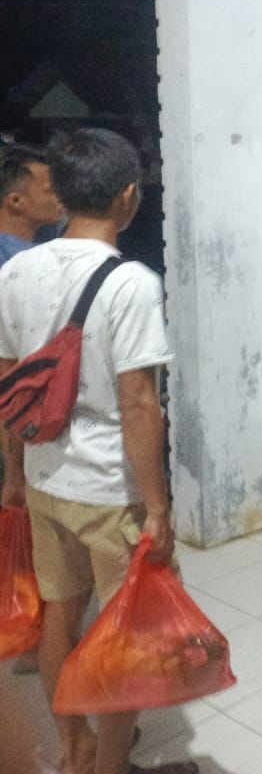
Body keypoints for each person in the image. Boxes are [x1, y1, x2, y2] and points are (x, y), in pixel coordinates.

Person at [0, 128, 195, 774]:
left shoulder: (17, 270)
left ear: (60, 193)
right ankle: (108, 768)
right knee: (125, 636)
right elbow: (139, 404)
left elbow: (9, 385)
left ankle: (75, 748)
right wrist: (158, 508)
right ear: (128, 196)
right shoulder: (130, 283)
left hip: (44, 478)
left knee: (59, 616)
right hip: (109, 491)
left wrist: (13, 474)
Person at [0, 145, 65, 677]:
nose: (59, 195)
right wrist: (14, 466)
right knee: (20, 520)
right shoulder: (13, 268)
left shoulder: (30, 254)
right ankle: (28, 636)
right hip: (14, 423)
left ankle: (29, 633)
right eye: (48, 187)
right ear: (16, 200)